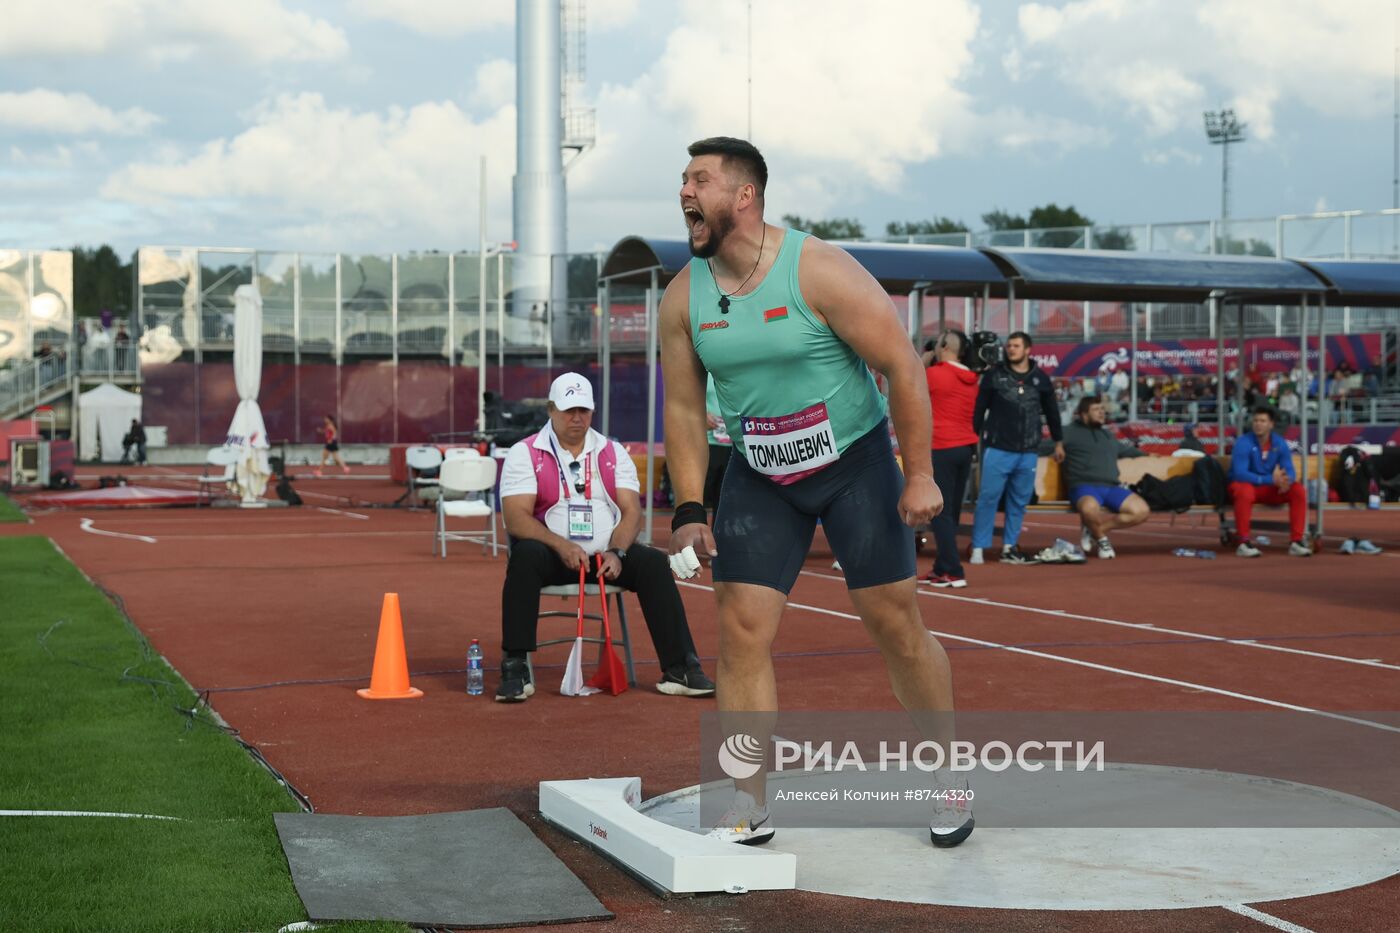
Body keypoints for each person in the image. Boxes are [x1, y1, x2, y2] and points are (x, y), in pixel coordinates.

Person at [660, 137, 973, 849]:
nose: (684, 191)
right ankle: (749, 803)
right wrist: (686, 510)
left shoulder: (819, 269)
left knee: (895, 624)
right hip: (760, 473)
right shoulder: (684, 297)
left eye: (699, 179)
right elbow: (683, 409)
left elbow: (900, 364)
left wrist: (920, 472)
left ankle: (950, 772)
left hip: (854, 465)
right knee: (740, 631)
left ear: (744, 195)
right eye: (681, 179)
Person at [496, 372, 715, 702]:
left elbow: (631, 512)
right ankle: (515, 666)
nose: (577, 417)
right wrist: (561, 545)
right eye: (569, 410)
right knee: (524, 555)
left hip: (605, 558)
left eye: (584, 410)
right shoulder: (524, 452)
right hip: (552, 556)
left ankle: (681, 667)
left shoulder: (613, 452)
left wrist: (617, 551)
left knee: (654, 563)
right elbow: (515, 518)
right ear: (551, 409)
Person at [969, 331, 1064, 565]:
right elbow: (979, 410)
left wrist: (1058, 441)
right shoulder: (994, 376)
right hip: (998, 448)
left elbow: (1052, 413)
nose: (1011, 349)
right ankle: (979, 547)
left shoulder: (1041, 379)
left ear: (1028, 349)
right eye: (1009, 345)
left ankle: (1009, 546)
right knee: (988, 498)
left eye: (1016, 345)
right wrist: (973, 439)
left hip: (1029, 451)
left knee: (1018, 501)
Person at [922, 330, 979, 587]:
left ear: (943, 345)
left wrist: (923, 361)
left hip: (942, 446)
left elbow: (906, 383)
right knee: (952, 511)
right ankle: (942, 566)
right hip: (965, 446)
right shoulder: (971, 378)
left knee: (941, 513)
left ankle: (953, 570)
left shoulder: (935, 374)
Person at [1061, 396, 1149, 559]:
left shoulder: (1107, 435)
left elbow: (1127, 451)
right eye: (1096, 409)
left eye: (1102, 409)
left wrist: (1150, 454)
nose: (1102, 412)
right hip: (1083, 486)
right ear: (1083, 414)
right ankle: (1102, 540)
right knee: (1088, 508)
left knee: (1141, 511)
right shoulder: (1068, 432)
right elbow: (1044, 447)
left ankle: (1095, 529)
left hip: (1111, 487)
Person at [1228, 406, 1311, 557]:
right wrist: (1269, 479)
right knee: (1244, 491)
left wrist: (1287, 480)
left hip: (1269, 488)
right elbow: (1240, 474)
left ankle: (1296, 541)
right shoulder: (1243, 442)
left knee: (1298, 490)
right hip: (1248, 487)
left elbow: (1289, 469)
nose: (1258, 424)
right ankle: (1243, 542)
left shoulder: (1279, 443)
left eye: (1263, 421)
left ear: (1271, 424)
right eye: (1256, 420)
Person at [703, 372, 732, 519]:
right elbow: (684, 402)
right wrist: (701, 413)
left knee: (724, 498)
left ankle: (718, 538)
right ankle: (691, 538)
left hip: (734, 445)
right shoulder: (702, 371)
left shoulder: (737, 369)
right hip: (707, 442)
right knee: (700, 494)